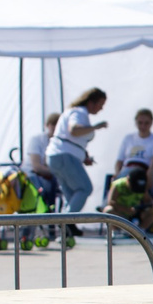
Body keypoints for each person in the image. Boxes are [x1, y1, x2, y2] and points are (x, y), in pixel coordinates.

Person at [45, 86, 105, 227]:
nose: (101, 109)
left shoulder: (72, 111)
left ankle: (65, 232)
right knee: (85, 188)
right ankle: (64, 223)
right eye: (100, 105)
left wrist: (84, 157)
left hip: (56, 157)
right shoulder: (80, 112)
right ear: (91, 102)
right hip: (65, 156)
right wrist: (96, 127)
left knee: (71, 195)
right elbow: (74, 130)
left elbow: (71, 139)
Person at [102, 162, 153, 234]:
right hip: (121, 214)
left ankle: (140, 230)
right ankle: (117, 231)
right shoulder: (118, 185)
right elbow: (111, 202)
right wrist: (126, 209)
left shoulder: (141, 187)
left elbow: (148, 200)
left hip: (135, 214)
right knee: (108, 210)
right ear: (128, 180)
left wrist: (148, 206)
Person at [114, 110, 153, 188]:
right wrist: (117, 173)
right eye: (140, 123)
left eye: (146, 123)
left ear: (152, 123)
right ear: (135, 122)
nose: (143, 126)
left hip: (144, 171)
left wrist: (150, 172)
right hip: (127, 171)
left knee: (129, 182)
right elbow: (119, 160)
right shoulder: (128, 138)